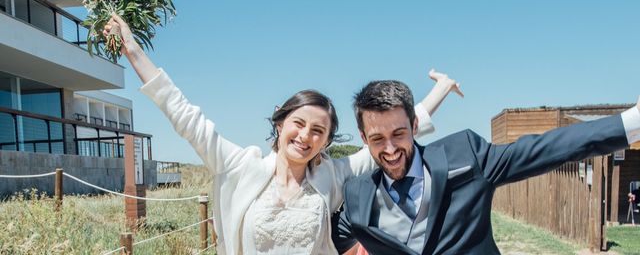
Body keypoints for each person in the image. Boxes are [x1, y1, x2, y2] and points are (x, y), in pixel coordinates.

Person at [102, 14, 463, 255]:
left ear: (326, 140)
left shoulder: (332, 176)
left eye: (318, 131)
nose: (306, 136)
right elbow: (182, 113)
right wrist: (132, 49)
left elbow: (389, 135)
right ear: (280, 123)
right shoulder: (238, 166)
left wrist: (441, 90)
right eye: (299, 124)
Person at [332, 79, 640, 255]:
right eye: (377, 139)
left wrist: (633, 121)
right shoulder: (356, 195)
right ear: (363, 137)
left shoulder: (466, 157)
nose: (389, 149)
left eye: (399, 134)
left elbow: (546, 149)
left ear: (415, 124)